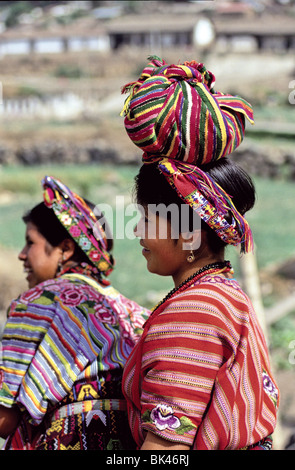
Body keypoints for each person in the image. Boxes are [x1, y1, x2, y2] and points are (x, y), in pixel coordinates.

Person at [120, 56, 279, 450]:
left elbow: (166, 451)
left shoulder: (193, 313)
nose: (138, 231)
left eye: (148, 219)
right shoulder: (226, 296)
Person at [0, 176, 149, 450]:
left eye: (30, 243)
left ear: (66, 249)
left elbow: (4, 419)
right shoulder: (136, 313)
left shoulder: (36, 302)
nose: (22, 255)